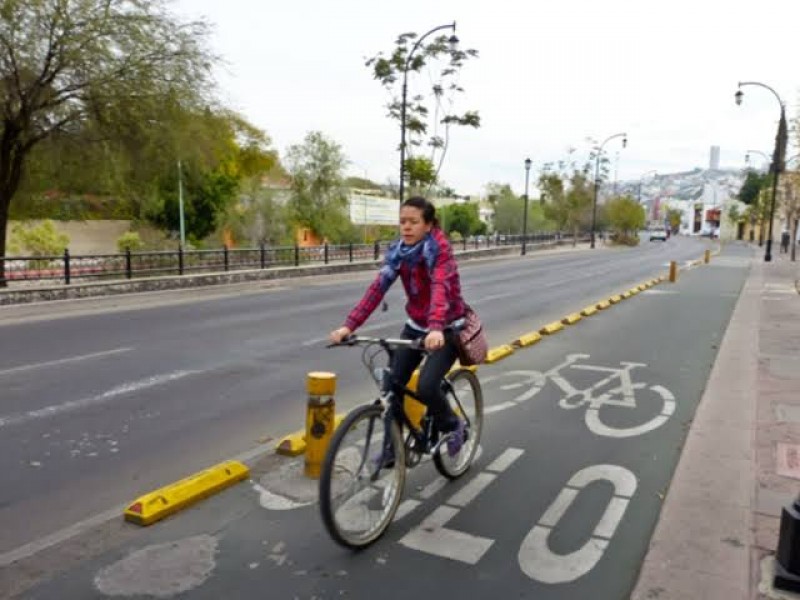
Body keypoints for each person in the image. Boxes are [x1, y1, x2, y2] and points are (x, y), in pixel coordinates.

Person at [329, 196, 468, 456]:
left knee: (426, 387)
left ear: (427, 225)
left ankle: (453, 424)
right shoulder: (398, 252)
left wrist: (436, 327)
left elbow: (440, 288)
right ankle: (393, 450)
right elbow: (376, 289)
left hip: (447, 328)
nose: (406, 227)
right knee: (391, 385)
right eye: (402, 221)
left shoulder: (440, 251)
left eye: (413, 222)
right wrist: (349, 326)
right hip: (416, 325)